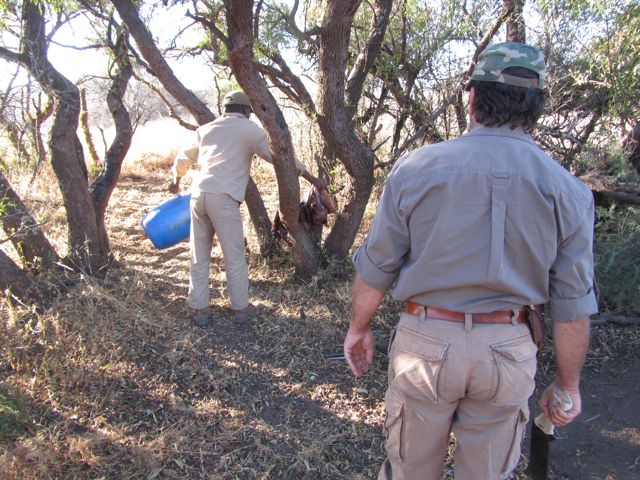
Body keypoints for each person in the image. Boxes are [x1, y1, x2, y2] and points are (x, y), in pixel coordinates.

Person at [343, 43, 597, 480]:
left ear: (473, 100)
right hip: (509, 349)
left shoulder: (416, 169)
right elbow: (573, 304)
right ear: (536, 109)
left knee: (409, 472)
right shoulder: (569, 191)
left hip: (425, 345)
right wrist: (568, 385)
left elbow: (377, 266)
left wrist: (359, 327)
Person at [169, 90, 325, 327]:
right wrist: (311, 178)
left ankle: (200, 310)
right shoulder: (251, 131)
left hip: (198, 195)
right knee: (234, 256)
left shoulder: (207, 129)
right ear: (245, 110)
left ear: (225, 110)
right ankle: (240, 310)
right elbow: (281, 159)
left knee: (198, 256)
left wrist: (176, 179)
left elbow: (183, 156)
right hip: (224, 198)